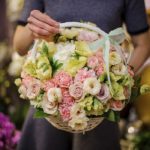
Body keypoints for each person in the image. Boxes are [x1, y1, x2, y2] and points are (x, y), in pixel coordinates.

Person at [13, 0, 150, 150]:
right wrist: (33, 28)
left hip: (101, 106)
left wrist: (119, 80)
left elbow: (143, 44)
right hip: (49, 104)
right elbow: (19, 46)